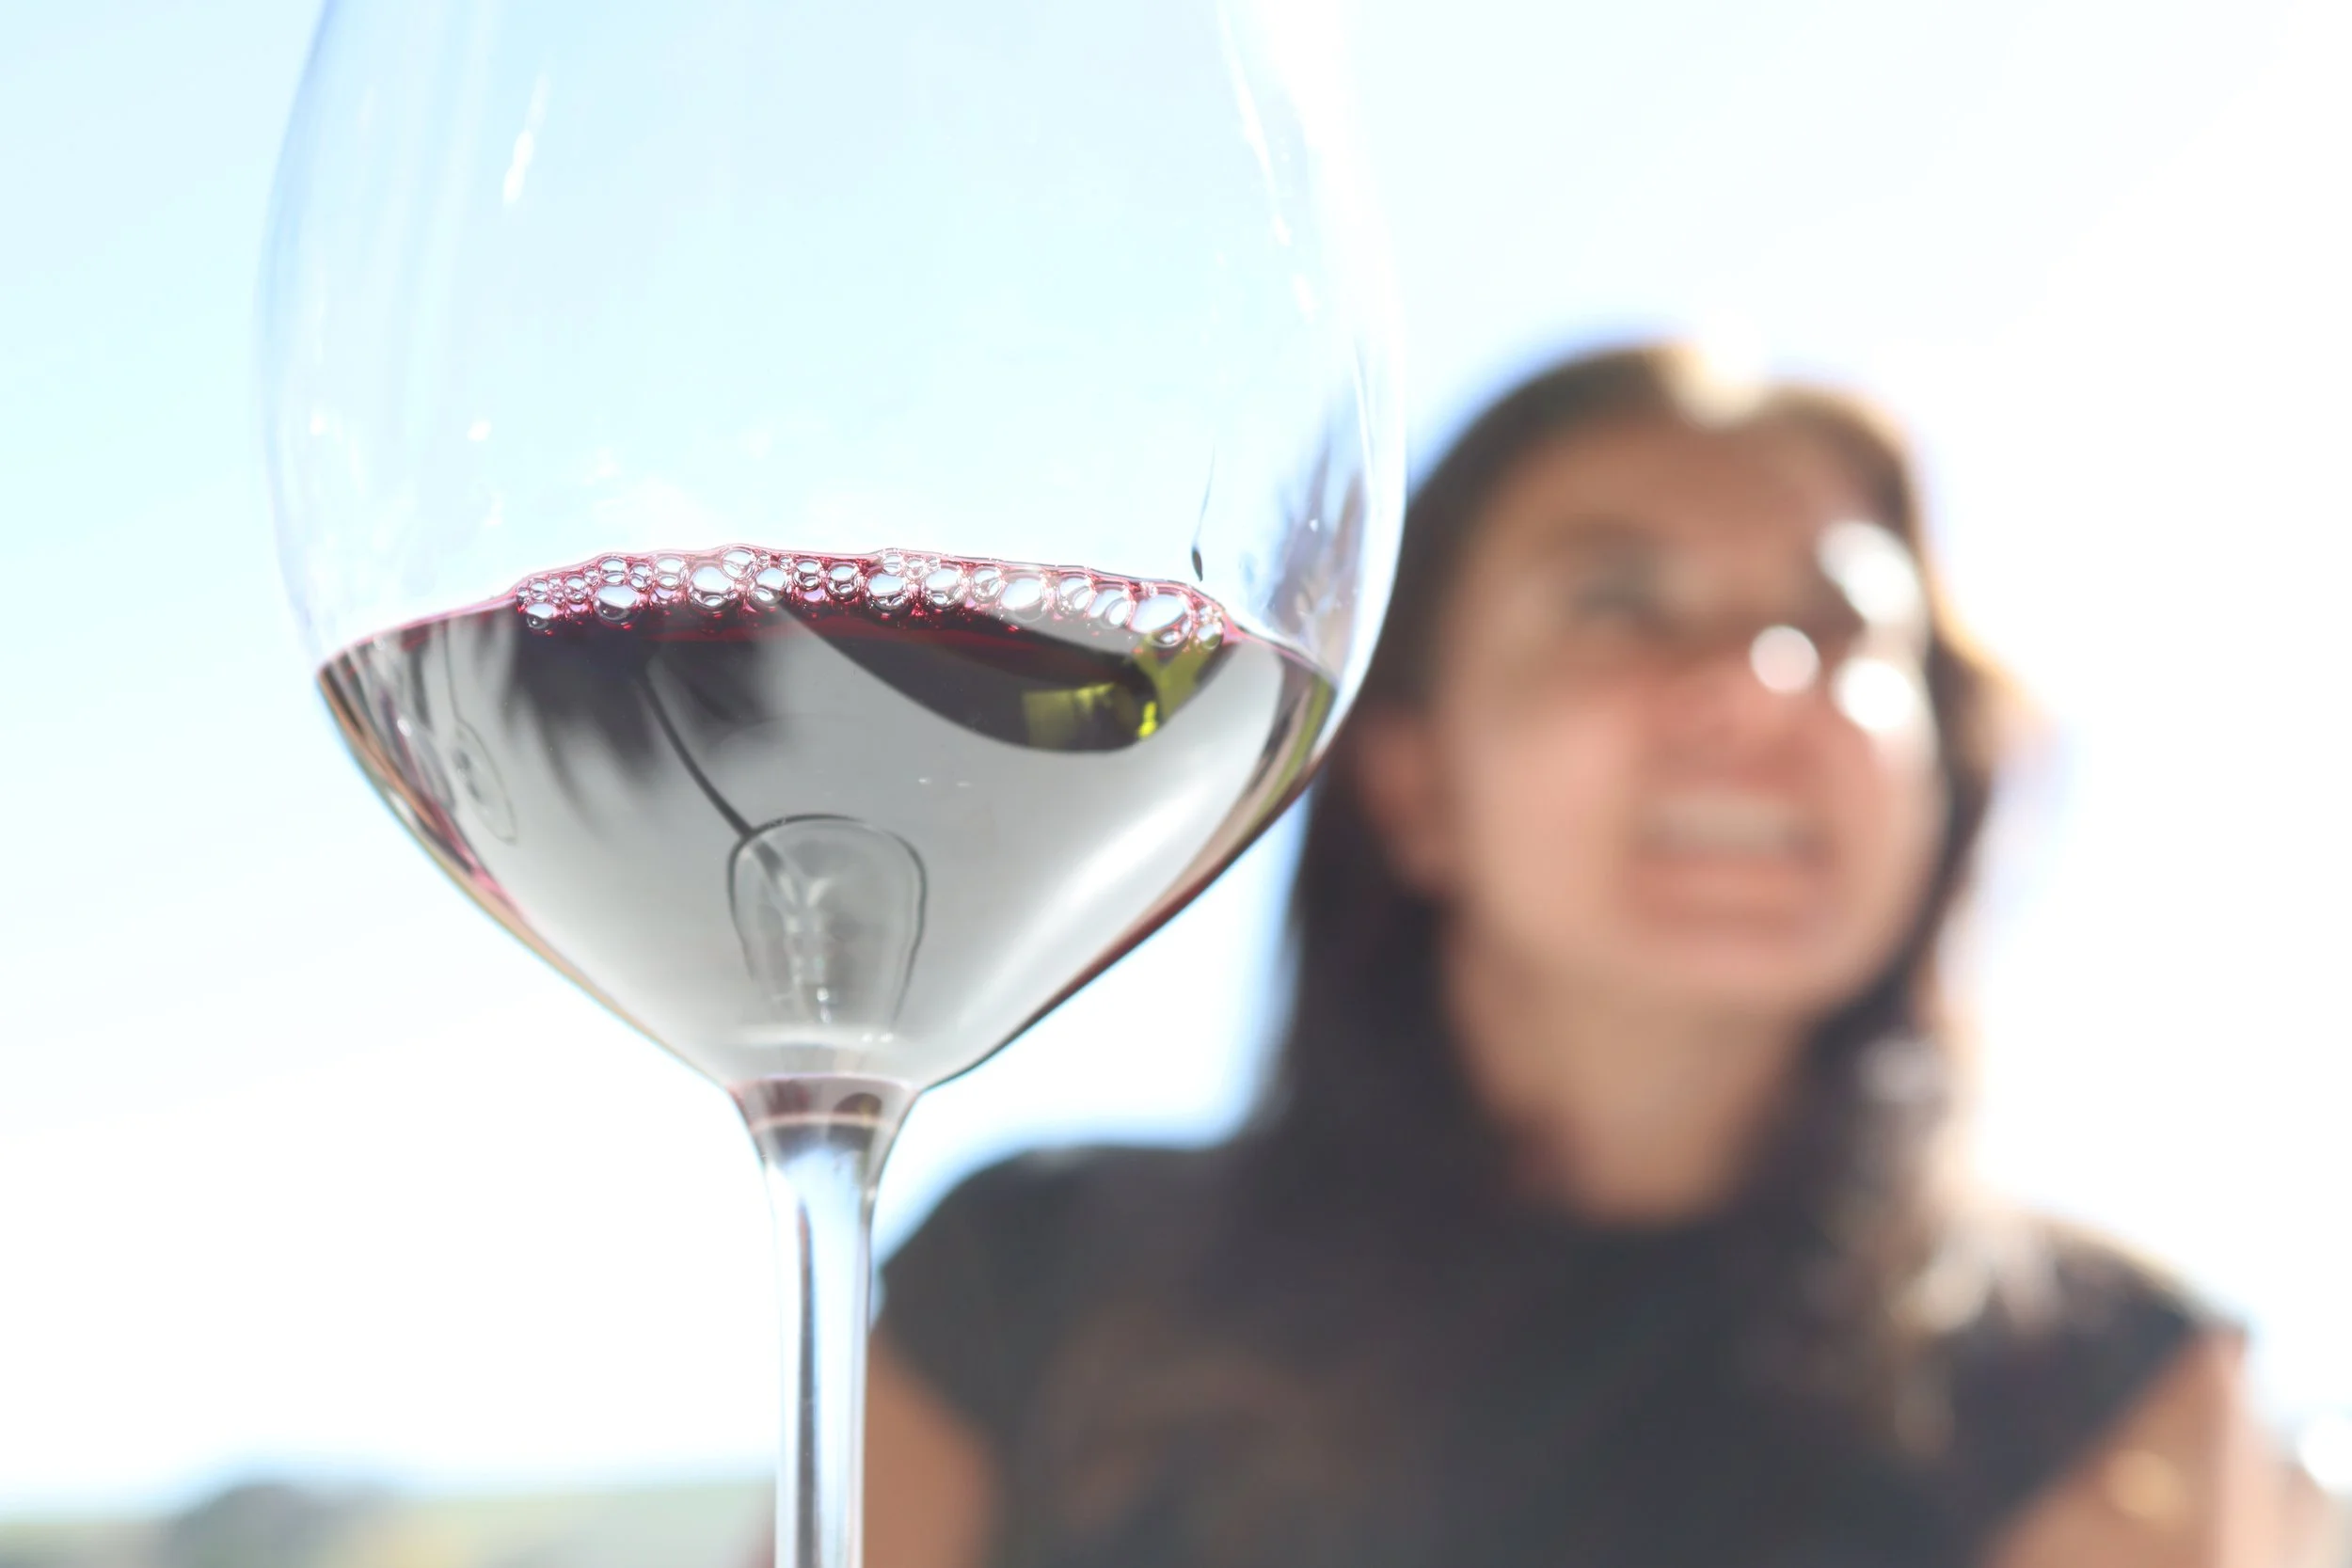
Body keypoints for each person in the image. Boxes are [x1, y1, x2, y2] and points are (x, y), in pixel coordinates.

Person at [858, 344, 2299, 1568]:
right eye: (1619, 602)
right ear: (1414, 784)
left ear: (1939, 781)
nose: (1759, 684)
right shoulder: (1027, 1276)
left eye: (1840, 625)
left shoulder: (2109, 1391)